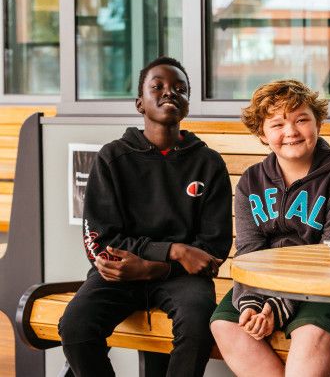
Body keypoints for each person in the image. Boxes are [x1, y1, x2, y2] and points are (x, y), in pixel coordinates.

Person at [58, 57, 233, 377]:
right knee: (76, 327)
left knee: (197, 328)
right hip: (121, 272)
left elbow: (213, 248)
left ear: (188, 106)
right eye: (158, 87)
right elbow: (101, 238)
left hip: (183, 279)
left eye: (180, 89)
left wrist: (155, 266)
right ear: (140, 103)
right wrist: (174, 251)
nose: (170, 93)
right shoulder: (112, 157)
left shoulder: (209, 164)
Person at [210, 80, 330, 377]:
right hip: (267, 286)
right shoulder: (251, 182)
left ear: (318, 123)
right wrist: (253, 304)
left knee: (309, 333)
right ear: (262, 133)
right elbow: (249, 251)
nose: (291, 132)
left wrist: (277, 305)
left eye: (302, 120)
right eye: (277, 124)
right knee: (226, 324)